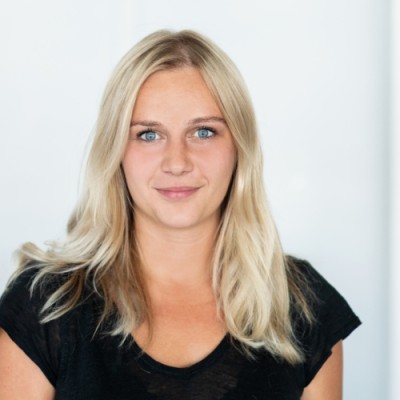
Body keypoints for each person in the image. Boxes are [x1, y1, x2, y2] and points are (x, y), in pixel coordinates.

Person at [0, 30, 360, 400]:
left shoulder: (303, 304)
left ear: (239, 147)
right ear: (115, 150)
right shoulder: (44, 306)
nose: (176, 162)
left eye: (203, 132)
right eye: (148, 135)